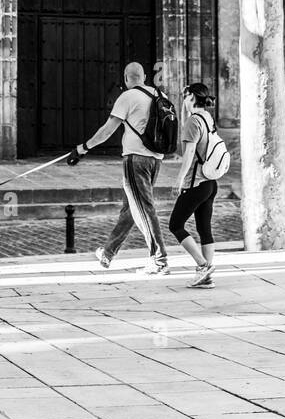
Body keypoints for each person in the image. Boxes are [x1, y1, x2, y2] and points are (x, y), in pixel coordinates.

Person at [68, 61, 170, 276]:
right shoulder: (161, 96)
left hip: (135, 160)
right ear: (144, 76)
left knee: (143, 208)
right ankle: (108, 252)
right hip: (156, 159)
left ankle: (159, 260)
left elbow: (107, 131)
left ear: (126, 77)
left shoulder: (127, 97)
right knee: (131, 209)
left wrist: (83, 148)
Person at [169, 82, 218, 288]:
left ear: (190, 97)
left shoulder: (192, 121)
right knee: (204, 229)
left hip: (196, 183)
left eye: (184, 96)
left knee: (175, 225)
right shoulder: (208, 118)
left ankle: (202, 266)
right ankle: (206, 277)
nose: (182, 100)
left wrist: (179, 180)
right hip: (210, 183)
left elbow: (189, 154)